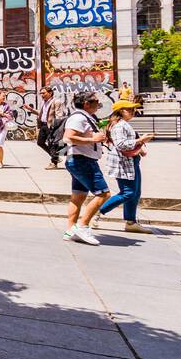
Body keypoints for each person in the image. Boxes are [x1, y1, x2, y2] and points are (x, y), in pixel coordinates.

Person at [99, 99, 154, 233]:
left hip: (130, 161)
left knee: (134, 193)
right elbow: (121, 144)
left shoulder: (123, 124)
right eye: (128, 109)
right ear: (120, 111)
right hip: (123, 162)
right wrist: (140, 140)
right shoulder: (119, 126)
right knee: (128, 192)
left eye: (133, 109)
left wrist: (139, 148)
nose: (132, 111)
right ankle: (97, 212)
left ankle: (131, 222)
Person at [63, 92, 110, 246]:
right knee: (103, 193)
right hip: (82, 160)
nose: (98, 103)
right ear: (86, 103)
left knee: (78, 196)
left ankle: (71, 230)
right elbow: (68, 137)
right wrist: (93, 139)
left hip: (79, 159)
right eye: (95, 101)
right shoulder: (78, 117)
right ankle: (82, 226)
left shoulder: (84, 117)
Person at [37, 86, 64, 169]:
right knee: (40, 142)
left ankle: (54, 163)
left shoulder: (56, 101)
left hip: (51, 126)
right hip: (43, 125)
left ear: (50, 93)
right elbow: (42, 113)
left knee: (52, 144)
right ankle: (56, 157)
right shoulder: (43, 102)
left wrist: (57, 127)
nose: (42, 95)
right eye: (41, 93)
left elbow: (59, 115)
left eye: (44, 93)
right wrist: (31, 110)